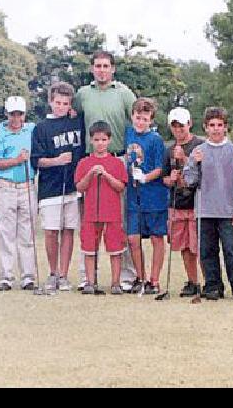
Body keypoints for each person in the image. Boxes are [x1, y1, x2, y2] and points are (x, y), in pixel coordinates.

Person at [74, 50, 137, 290]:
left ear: (113, 69)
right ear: (92, 68)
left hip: (118, 158)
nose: (101, 70)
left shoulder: (123, 92)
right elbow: (74, 116)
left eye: (106, 66)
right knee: (90, 223)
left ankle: (125, 277)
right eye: (97, 66)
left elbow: (138, 118)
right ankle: (88, 278)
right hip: (89, 160)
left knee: (118, 221)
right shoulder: (83, 94)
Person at [183, 107, 233, 302]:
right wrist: (195, 164)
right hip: (205, 210)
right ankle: (213, 285)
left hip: (227, 211)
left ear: (225, 127)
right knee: (207, 250)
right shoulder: (199, 152)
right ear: (205, 127)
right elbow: (190, 181)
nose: (216, 129)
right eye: (212, 125)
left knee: (230, 249)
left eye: (219, 125)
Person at [30, 82, 85, 292]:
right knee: (52, 232)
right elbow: (36, 161)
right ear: (50, 102)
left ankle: (64, 274)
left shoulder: (76, 121)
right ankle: (52, 273)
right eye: (57, 102)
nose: (61, 107)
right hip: (50, 188)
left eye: (65, 103)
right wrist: (57, 161)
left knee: (69, 230)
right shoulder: (41, 128)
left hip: (73, 186)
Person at [0, 95, 37, 291]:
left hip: (27, 185)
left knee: (27, 232)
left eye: (20, 114)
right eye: (12, 114)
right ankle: (6, 276)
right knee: (6, 233)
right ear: (6, 114)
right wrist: (16, 160)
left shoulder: (32, 130)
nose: (16, 118)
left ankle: (28, 276)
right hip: (5, 186)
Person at [74, 121, 128, 294]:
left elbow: (121, 187)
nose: (100, 143)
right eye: (96, 140)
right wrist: (91, 174)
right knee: (89, 248)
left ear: (109, 140)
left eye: (104, 140)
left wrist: (106, 175)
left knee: (115, 248)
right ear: (91, 140)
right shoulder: (84, 163)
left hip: (112, 213)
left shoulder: (117, 163)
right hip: (90, 213)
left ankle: (115, 283)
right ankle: (90, 282)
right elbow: (80, 187)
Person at [124, 97, 169, 295]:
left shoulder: (155, 139)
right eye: (137, 117)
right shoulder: (128, 134)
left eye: (144, 119)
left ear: (151, 120)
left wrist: (145, 177)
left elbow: (160, 168)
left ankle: (154, 279)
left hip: (154, 195)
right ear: (132, 116)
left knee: (157, 238)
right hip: (134, 197)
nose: (140, 122)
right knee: (133, 239)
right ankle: (140, 277)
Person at [161, 107, 204, 298]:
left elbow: (204, 173)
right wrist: (170, 179)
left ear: (190, 124)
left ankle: (208, 281)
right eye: (175, 126)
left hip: (197, 202)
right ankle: (192, 281)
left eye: (182, 125)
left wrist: (184, 159)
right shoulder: (168, 149)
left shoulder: (200, 145)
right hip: (177, 202)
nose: (178, 129)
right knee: (184, 246)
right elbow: (163, 177)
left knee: (199, 245)